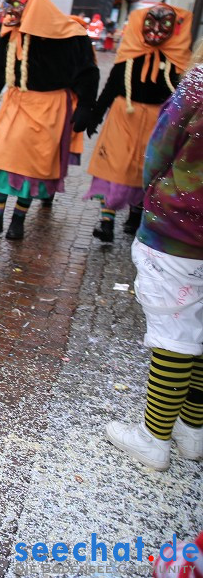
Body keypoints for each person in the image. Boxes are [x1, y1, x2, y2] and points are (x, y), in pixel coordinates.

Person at [105, 50, 203, 472]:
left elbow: (161, 148)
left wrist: (156, 198)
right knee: (198, 331)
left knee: (174, 333)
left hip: (179, 231)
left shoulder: (198, 86)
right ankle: (192, 429)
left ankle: (154, 437)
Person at [0, 0, 99, 241]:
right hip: (16, 105)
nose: (10, 10)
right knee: (0, 159)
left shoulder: (70, 35)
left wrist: (87, 106)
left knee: (33, 167)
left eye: (16, 4)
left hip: (50, 109)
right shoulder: (11, 36)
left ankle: (17, 221)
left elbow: (87, 72)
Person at [84, 3, 192, 242]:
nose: (155, 30)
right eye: (150, 22)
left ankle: (136, 212)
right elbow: (112, 85)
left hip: (159, 122)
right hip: (124, 116)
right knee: (114, 165)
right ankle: (107, 220)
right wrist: (96, 114)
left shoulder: (178, 59)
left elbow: (184, 96)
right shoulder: (130, 54)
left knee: (149, 167)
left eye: (164, 25)